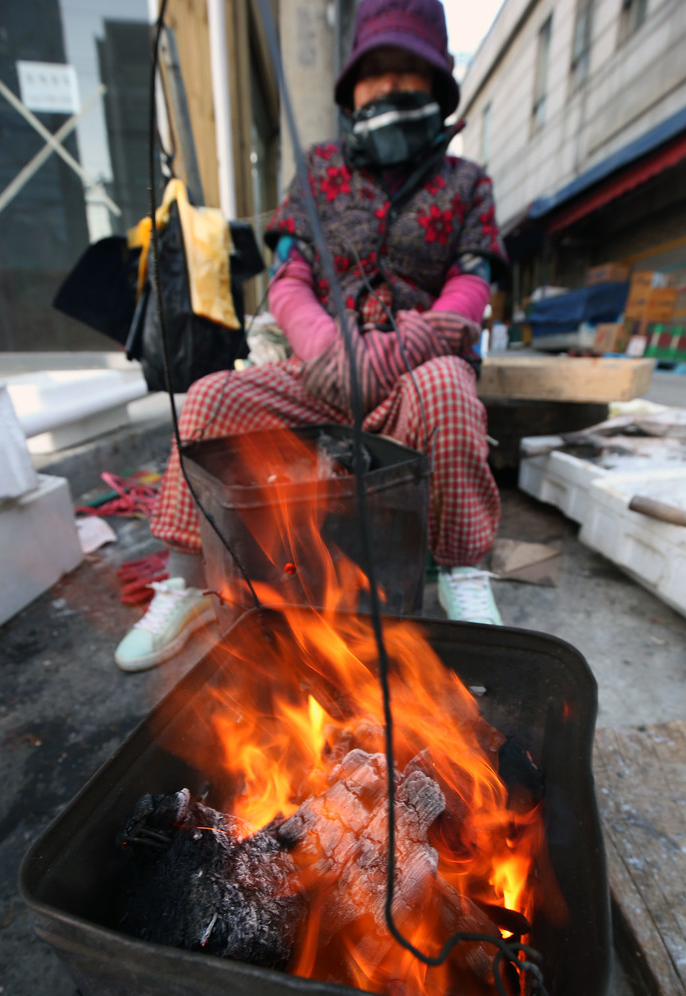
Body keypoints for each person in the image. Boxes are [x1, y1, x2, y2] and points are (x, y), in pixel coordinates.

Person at [114, 0, 508, 673]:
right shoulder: (320, 170)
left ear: (439, 83)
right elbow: (290, 278)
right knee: (209, 399)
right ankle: (185, 579)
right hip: (321, 373)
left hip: (415, 367)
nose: (389, 85)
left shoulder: (466, 183)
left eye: (408, 70)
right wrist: (326, 346)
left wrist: (405, 344)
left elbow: (472, 284)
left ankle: (461, 571)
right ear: (351, 86)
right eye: (375, 71)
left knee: (449, 387)